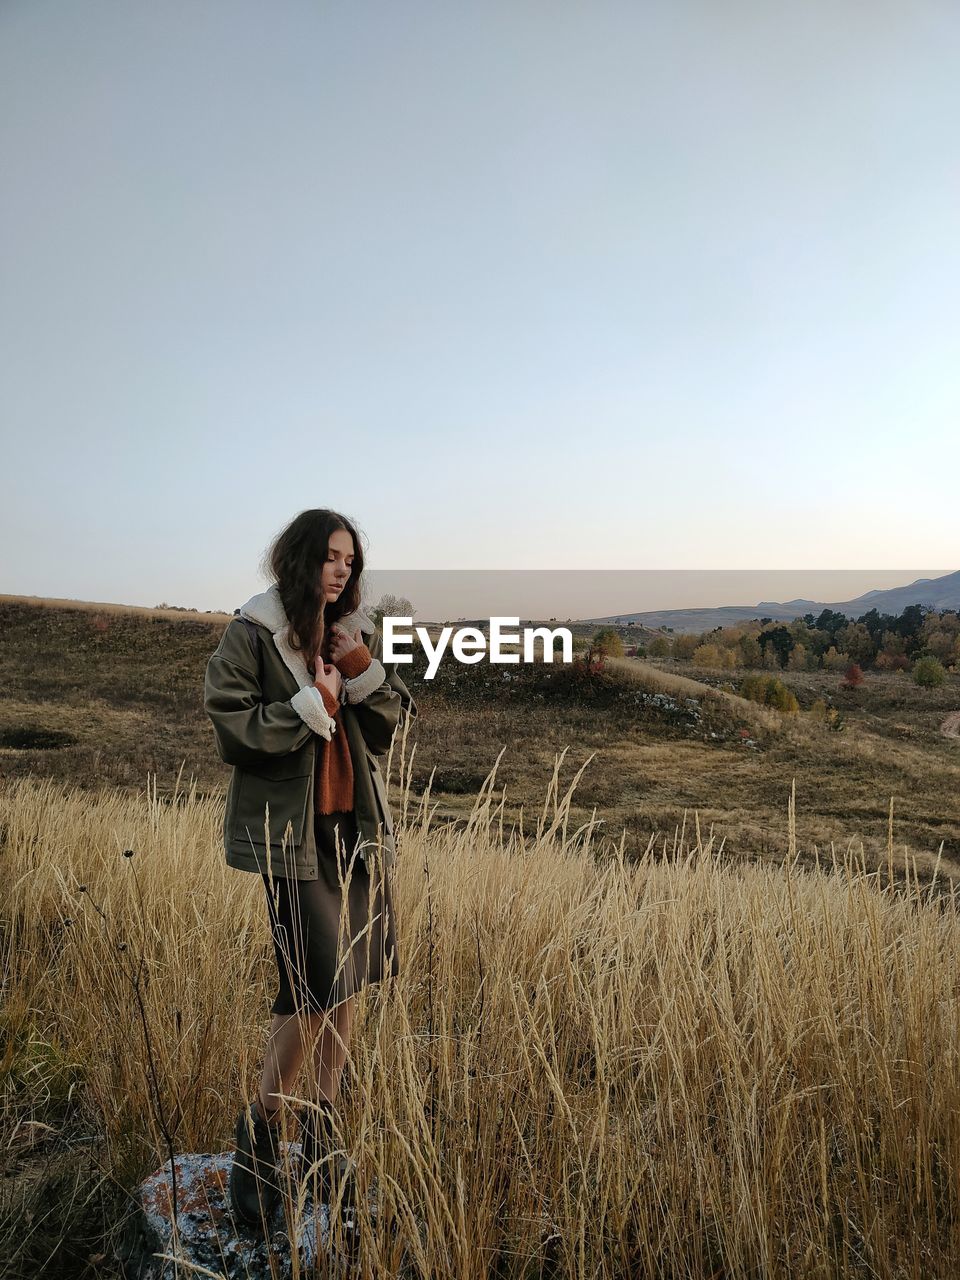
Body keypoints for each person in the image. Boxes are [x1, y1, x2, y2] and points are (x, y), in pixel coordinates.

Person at [203, 508, 417, 1233]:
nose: (342, 570)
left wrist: (357, 669)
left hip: (354, 829)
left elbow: (388, 726)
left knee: (351, 980)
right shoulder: (254, 632)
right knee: (311, 986)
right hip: (291, 837)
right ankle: (261, 1145)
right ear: (299, 559)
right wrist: (311, 703)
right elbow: (232, 723)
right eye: (330, 556)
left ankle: (324, 1146)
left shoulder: (345, 635)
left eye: (350, 561)